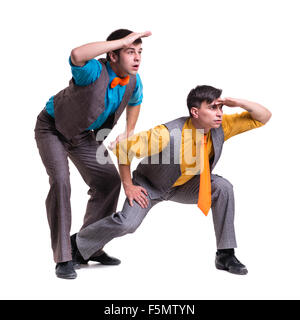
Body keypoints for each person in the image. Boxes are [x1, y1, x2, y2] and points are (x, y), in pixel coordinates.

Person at [71, 85, 272, 275]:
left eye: (220, 108)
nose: (219, 113)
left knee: (222, 187)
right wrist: (128, 185)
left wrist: (237, 102)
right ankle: (77, 244)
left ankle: (225, 254)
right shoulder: (166, 134)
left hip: (183, 186)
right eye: (212, 108)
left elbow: (264, 117)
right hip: (149, 185)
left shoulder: (221, 126)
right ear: (195, 112)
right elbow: (124, 150)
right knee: (127, 224)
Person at [34, 29, 152, 279]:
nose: (137, 57)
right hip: (52, 128)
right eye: (130, 52)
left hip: (83, 136)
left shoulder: (133, 80)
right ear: (112, 55)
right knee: (61, 183)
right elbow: (76, 54)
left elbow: (135, 101)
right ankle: (64, 257)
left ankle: (88, 246)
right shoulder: (93, 72)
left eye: (140, 52)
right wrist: (121, 41)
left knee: (108, 181)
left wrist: (130, 131)